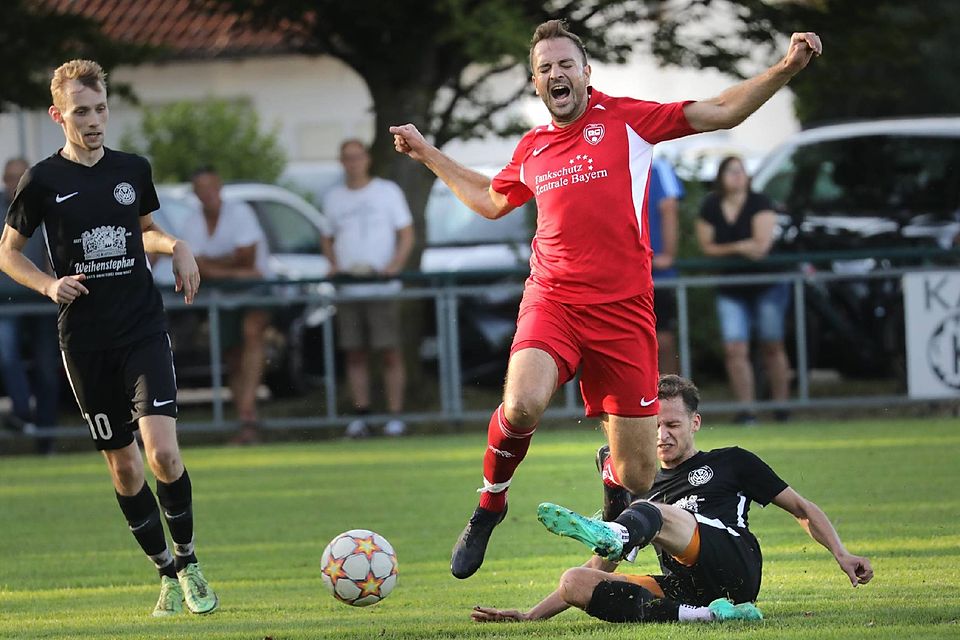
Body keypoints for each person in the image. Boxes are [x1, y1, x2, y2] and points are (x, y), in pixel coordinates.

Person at [390, 19, 822, 579]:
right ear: (535, 83)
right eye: (545, 68)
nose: (556, 73)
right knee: (521, 404)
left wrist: (785, 69)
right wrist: (427, 153)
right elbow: (489, 200)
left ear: (587, 73)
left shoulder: (627, 120)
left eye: (565, 63)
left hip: (623, 312)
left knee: (639, 476)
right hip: (554, 300)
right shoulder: (533, 147)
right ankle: (489, 503)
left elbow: (720, 110)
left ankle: (612, 484)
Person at [0, 59, 217, 616]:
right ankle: (164, 572)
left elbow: (145, 232)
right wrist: (49, 286)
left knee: (163, 452)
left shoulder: (132, 169)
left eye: (99, 109)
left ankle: (189, 560)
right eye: (80, 112)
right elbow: (8, 253)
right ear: (58, 115)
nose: (93, 121)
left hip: (141, 327)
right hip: (86, 342)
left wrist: (179, 247)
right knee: (124, 467)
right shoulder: (43, 180)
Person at [475, 375, 872, 624]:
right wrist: (531, 616)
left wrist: (841, 553)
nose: (661, 435)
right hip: (689, 588)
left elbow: (802, 509)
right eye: (653, 426)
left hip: (734, 565)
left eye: (672, 425)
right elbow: (602, 563)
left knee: (651, 511)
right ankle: (706, 618)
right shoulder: (641, 480)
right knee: (575, 581)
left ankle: (617, 527)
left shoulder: (731, 461)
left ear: (695, 424)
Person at [321, 139, 414, 438]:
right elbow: (326, 236)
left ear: (367, 159)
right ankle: (362, 414)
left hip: (381, 285)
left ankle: (396, 415)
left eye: (357, 157)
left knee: (389, 351)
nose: (353, 163)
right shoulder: (333, 198)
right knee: (354, 353)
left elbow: (406, 232)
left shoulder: (387, 192)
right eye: (347, 157)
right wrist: (333, 264)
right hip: (349, 287)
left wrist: (395, 265)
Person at [695, 156, 791, 424]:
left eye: (741, 171)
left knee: (772, 345)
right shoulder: (711, 205)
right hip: (731, 287)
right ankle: (747, 410)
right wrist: (739, 247)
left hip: (767, 284)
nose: (738, 176)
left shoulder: (760, 202)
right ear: (721, 177)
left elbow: (761, 248)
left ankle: (782, 408)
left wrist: (730, 249)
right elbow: (707, 247)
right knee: (735, 348)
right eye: (731, 171)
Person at [183, 166, 273, 445]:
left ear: (219, 186)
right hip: (223, 295)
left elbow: (246, 258)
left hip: (254, 290)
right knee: (233, 355)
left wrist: (212, 267)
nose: (207, 194)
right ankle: (246, 420)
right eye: (201, 189)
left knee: (252, 333)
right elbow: (194, 262)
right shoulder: (192, 221)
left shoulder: (240, 213)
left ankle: (247, 413)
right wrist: (230, 268)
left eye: (211, 187)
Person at [0, 157, 61, 455]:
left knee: (49, 368)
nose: (15, 182)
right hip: (7, 300)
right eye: (11, 177)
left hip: (42, 295)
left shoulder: (46, 204)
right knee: (7, 353)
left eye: (20, 176)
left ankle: (45, 438)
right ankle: (22, 413)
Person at [648, 157, 684, 375]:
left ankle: (669, 397)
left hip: (657, 275)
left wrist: (667, 254)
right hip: (624, 274)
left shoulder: (659, 166)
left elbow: (669, 207)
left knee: (664, 340)